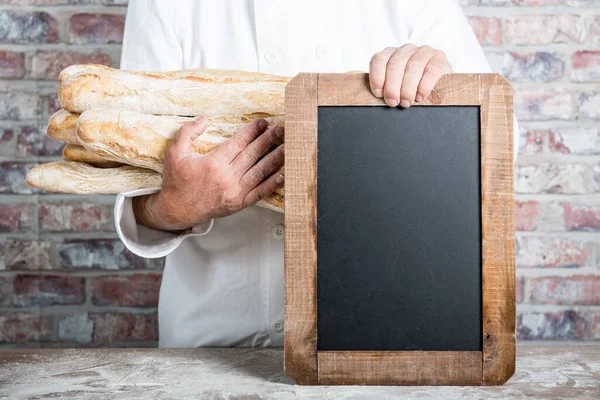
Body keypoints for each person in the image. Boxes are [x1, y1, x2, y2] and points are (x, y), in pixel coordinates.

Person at [116, 0, 519, 348]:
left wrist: (447, 96)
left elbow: (501, 146)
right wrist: (176, 207)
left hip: (375, 338)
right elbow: (131, 177)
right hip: (209, 340)